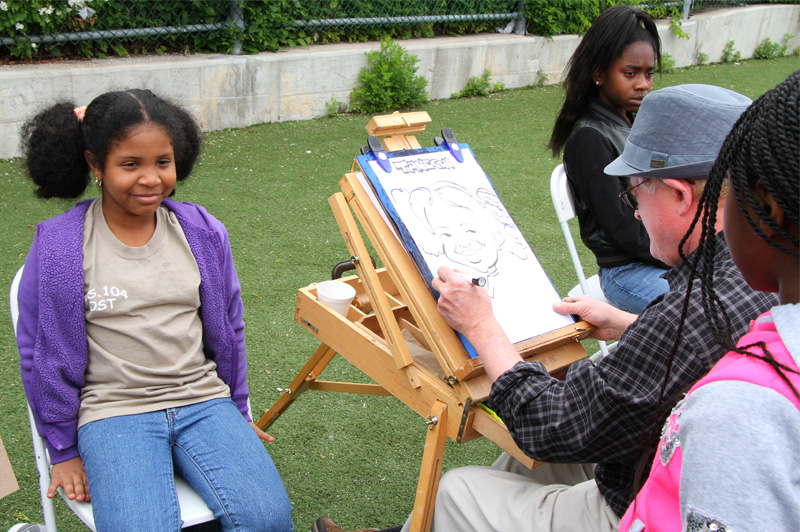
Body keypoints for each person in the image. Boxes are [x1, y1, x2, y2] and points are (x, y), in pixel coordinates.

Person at [312, 85, 779, 532]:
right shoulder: (754, 271)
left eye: (634, 191)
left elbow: (554, 425)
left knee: (459, 490)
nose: (634, 211)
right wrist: (630, 326)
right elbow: (698, 355)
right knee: (521, 462)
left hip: (647, 506)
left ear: (679, 195)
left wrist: (482, 326)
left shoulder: (696, 309)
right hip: (677, 466)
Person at [14, 90, 293, 532]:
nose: (151, 179)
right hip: (113, 412)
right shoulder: (59, 246)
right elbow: (39, 354)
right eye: (130, 164)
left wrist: (238, 413)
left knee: (269, 519)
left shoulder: (201, 231)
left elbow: (230, 328)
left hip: (202, 400)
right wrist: (63, 452)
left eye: (162, 161)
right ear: (94, 163)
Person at [621, 72, 800, 532]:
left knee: (465, 491)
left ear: (767, 206)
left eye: (730, 187)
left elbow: (562, 428)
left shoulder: (739, 410)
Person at [547, 5, 669, 313]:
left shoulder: (631, 122)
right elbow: (623, 230)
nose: (643, 83)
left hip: (660, 258)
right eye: (630, 73)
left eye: (649, 73)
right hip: (627, 273)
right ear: (599, 74)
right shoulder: (589, 137)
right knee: (713, 313)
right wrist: (679, 253)